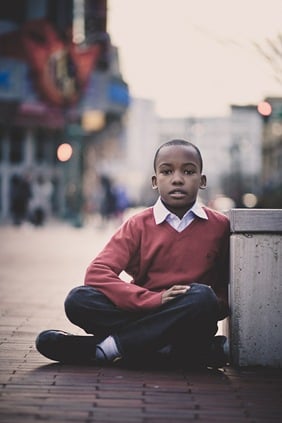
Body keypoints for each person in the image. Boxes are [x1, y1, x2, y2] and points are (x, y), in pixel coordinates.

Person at [36, 139, 230, 369]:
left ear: (202, 180)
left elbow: (226, 289)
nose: (177, 179)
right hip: (144, 309)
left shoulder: (220, 226)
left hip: (189, 316)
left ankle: (109, 348)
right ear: (155, 181)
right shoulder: (138, 224)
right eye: (167, 171)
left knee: (203, 298)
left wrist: (203, 304)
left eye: (188, 171)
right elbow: (98, 273)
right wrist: (154, 300)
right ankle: (164, 348)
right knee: (79, 299)